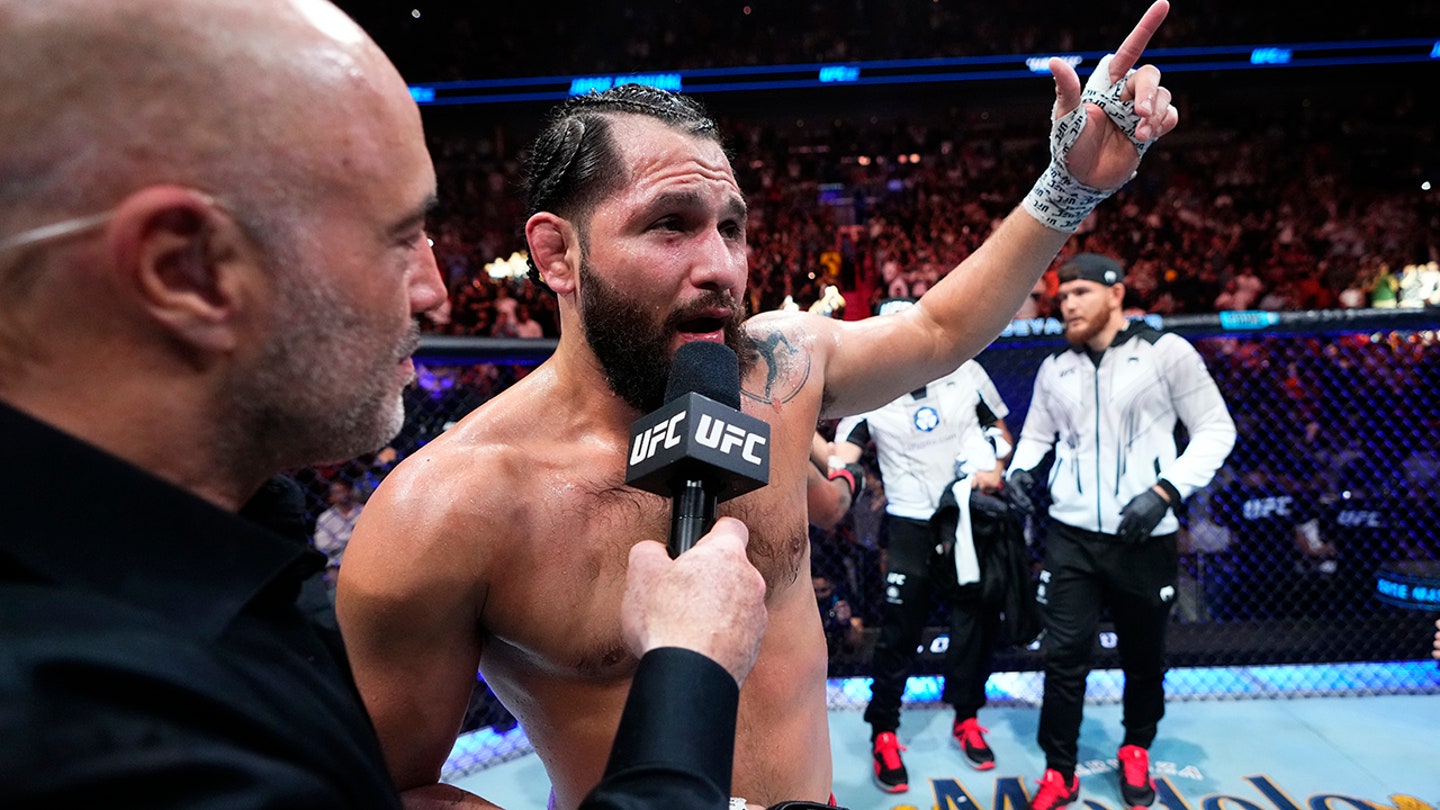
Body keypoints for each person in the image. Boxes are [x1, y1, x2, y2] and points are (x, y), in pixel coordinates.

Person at [337, 6, 1182, 808]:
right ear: (558, 254)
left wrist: (1068, 187)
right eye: (671, 224)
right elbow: (386, 787)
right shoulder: (449, 509)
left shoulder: (781, 372)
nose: (721, 268)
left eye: (731, 228)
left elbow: (937, 329)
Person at [0, 1, 772, 808]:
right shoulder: (74, 732)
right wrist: (690, 669)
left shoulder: (221, 554)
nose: (434, 291)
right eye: (399, 235)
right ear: (185, 272)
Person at [1004, 253, 1235, 810]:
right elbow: (1036, 436)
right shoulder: (1055, 366)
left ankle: (1136, 747)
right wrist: (1019, 472)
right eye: (1062, 296)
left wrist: (1165, 492)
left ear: (1115, 294)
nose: (1068, 304)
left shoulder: (1166, 352)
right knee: (1063, 656)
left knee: (1144, 655)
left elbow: (1215, 428)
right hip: (1071, 535)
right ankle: (1059, 769)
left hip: (1144, 534)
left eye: (1080, 292)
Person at [831, 298, 1019, 790]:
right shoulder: (868, 390)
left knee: (973, 622)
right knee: (899, 630)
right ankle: (884, 730)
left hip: (965, 516)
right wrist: (839, 472)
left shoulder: (966, 372)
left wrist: (993, 465)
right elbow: (843, 455)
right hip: (909, 522)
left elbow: (999, 431)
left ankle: (967, 716)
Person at [315, 479, 365, 585]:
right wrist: (352, 538)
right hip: (336, 565)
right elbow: (322, 544)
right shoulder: (325, 518)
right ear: (331, 497)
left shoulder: (364, 511)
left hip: (362, 561)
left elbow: (369, 539)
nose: (343, 494)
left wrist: (336, 537)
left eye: (344, 490)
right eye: (337, 492)